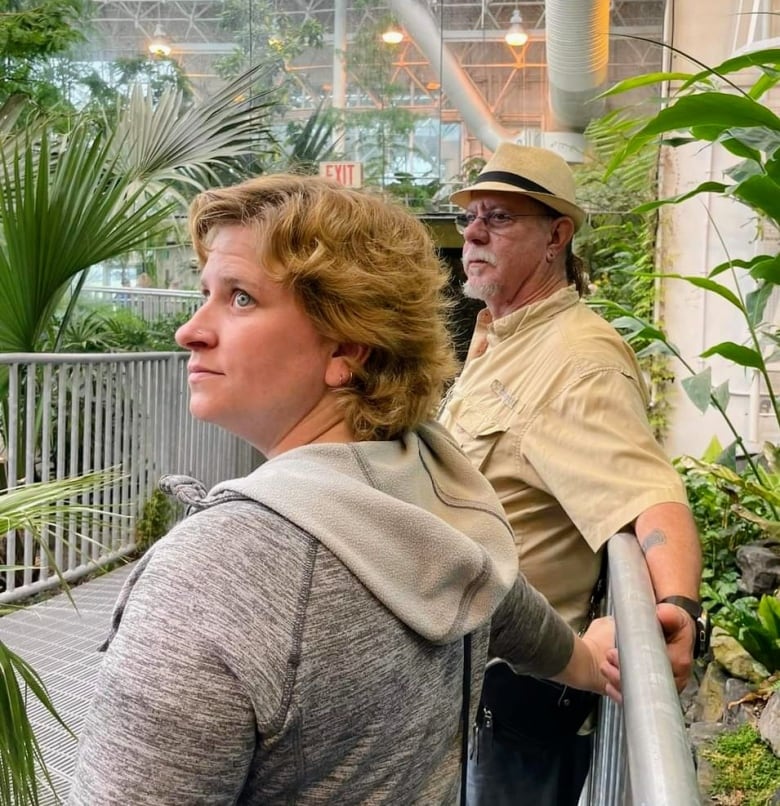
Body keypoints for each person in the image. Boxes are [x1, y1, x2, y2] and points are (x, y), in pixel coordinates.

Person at [69, 174, 617, 805]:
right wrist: (587, 659)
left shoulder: (218, 575)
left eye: (240, 298)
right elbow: (502, 599)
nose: (189, 331)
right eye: (205, 295)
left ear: (347, 348)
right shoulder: (432, 484)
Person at [438, 143, 703, 806]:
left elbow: (652, 496)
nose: (472, 233)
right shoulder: (501, 335)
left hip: (515, 695)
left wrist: (677, 609)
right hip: (462, 685)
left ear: (557, 236)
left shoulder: (578, 359)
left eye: (498, 218)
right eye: (471, 216)